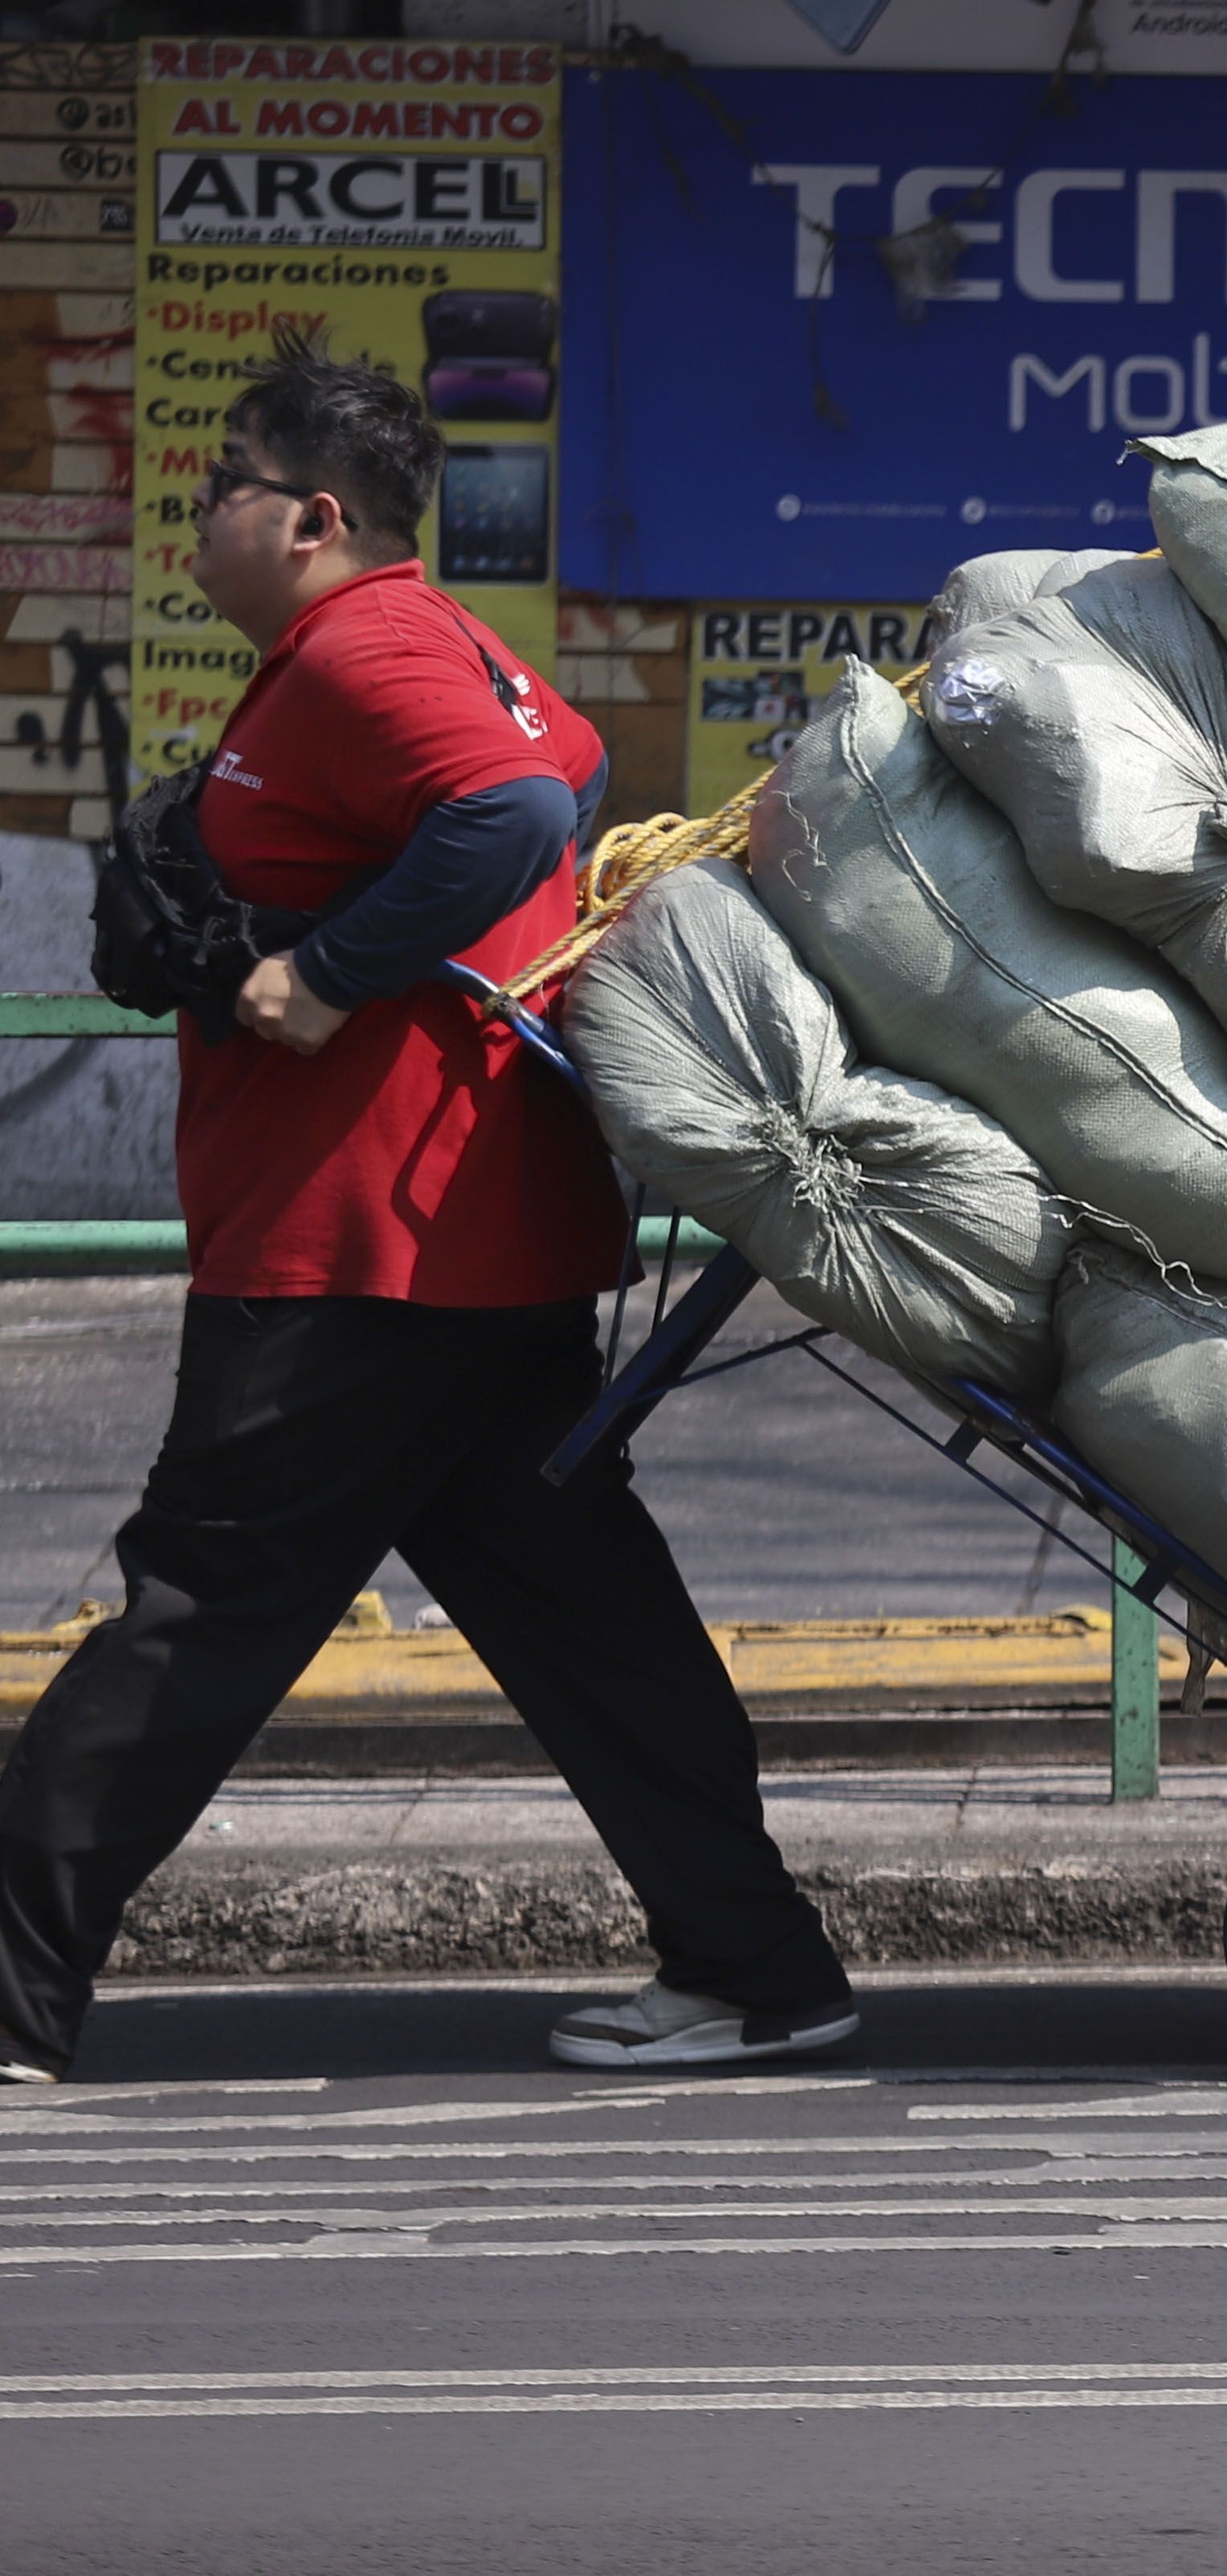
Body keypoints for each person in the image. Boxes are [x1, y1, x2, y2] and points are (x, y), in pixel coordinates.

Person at [0, 347, 858, 2085]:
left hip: (359, 1256)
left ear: (316, 519)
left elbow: (518, 809)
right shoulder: (441, 647)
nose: (200, 509)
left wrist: (324, 972)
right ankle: (757, 1966)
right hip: (478, 1249)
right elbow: (561, 777)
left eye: (225, 483)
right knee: (592, 1625)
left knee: (199, 1611)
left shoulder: (367, 652)